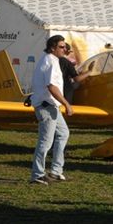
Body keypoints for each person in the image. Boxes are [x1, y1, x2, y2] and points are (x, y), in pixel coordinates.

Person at [29, 35, 73, 185]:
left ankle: (55, 171)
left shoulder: (51, 60)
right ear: (52, 48)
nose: (65, 49)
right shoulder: (50, 61)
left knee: (63, 133)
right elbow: (51, 86)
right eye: (61, 46)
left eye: (66, 46)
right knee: (46, 142)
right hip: (46, 105)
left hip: (51, 105)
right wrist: (66, 104)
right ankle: (37, 175)